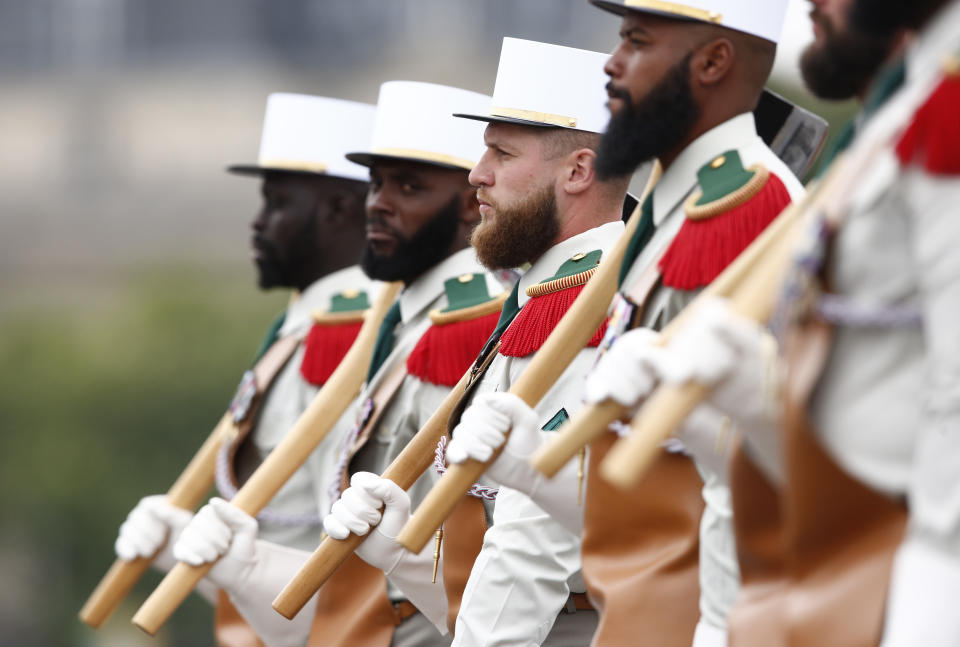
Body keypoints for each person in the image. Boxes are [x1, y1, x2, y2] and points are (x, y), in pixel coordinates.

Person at [608, 0, 960, 645]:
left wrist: (942, 564)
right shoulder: (908, 102)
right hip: (828, 569)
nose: (810, 5)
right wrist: (753, 405)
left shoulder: (945, 99)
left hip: (899, 571)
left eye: (636, 39)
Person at [173, 81, 509, 647]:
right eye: (375, 184)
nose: (376, 202)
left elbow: (463, 533)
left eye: (409, 186)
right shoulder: (400, 325)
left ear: (470, 202)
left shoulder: (463, 328)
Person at [324, 38, 633, 646]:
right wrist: (404, 557)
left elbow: (537, 546)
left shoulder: (590, 302)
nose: (476, 175)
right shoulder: (544, 296)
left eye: (501, 152)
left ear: (577, 171)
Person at [578, 1, 806, 645]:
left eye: (637, 41)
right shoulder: (675, 201)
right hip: (636, 607)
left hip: (700, 612)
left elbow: (754, 461)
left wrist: (724, 625)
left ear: (712, 61)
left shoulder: (747, 205)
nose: (611, 62)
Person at [111, 92, 377, 643]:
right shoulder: (300, 326)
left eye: (278, 204)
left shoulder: (346, 333)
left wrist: (238, 562)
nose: (257, 225)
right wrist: (191, 550)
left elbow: (337, 544)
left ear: (338, 210)